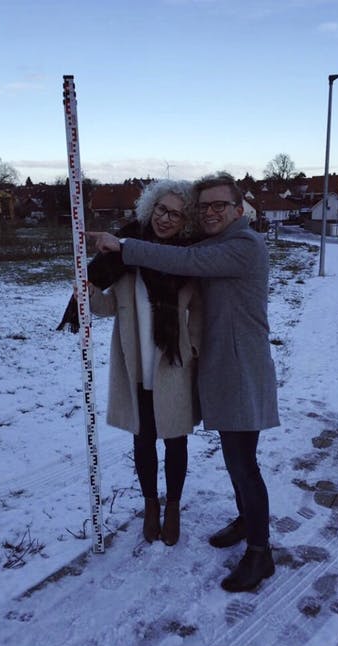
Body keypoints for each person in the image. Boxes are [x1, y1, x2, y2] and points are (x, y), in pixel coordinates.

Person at [88, 172, 279, 592]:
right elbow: (182, 254)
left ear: (238, 209)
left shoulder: (244, 246)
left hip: (240, 370)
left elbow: (185, 262)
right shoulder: (216, 243)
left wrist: (125, 247)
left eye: (219, 206)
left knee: (244, 464)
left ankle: (261, 554)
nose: (211, 213)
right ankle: (247, 520)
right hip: (217, 366)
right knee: (235, 461)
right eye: (205, 206)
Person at [86, 180, 202, 546]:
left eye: (176, 214)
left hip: (173, 367)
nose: (166, 219)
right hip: (136, 365)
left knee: (176, 442)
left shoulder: (187, 263)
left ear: (186, 222)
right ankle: (151, 504)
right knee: (144, 440)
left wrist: (193, 352)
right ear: (150, 207)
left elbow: (198, 316)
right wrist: (84, 287)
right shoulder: (125, 258)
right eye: (161, 209)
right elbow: (107, 307)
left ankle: (173, 506)